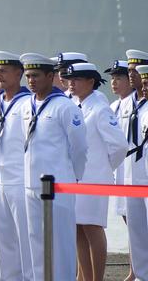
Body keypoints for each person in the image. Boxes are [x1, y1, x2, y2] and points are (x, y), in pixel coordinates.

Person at [19, 53, 87, 281]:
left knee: (61, 245)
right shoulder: (27, 105)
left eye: (36, 75)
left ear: (51, 76)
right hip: (31, 185)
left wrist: (73, 177)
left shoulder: (64, 107)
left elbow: (79, 148)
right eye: (28, 76)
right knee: (36, 243)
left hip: (58, 186)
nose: (31, 80)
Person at [65, 62, 127, 281]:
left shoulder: (100, 109)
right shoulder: (74, 105)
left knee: (92, 228)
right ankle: (85, 277)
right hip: (75, 179)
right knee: (78, 230)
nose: (71, 84)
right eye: (69, 79)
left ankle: (97, 278)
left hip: (94, 180)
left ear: (90, 82)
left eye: (76, 80)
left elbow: (119, 146)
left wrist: (104, 168)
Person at [0, 51, 30, 281]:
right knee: (3, 240)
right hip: (0, 179)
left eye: (4, 70)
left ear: (19, 73)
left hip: (20, 178)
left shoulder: (27, 102)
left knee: (25, 238)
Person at [120, 50, 148, 281]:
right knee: (136, 230)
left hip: (147, 175)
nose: (131, 76)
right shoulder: (125, 104)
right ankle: (140, 274)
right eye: (129, 71)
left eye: (135, 72)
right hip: (131, 174)